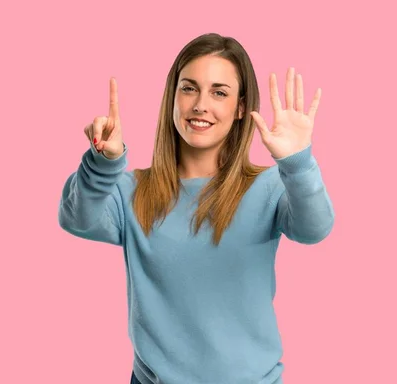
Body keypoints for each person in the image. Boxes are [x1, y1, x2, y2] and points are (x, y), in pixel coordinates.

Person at [58, 32, 335, 384]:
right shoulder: (131, 191)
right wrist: (103, 162)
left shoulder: (267, 187)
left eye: (219, 92)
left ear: (239, 108)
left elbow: (315, 229)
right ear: (172, 97)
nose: (201, 104)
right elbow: (76, 218)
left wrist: (297, 163)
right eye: (189, 88)